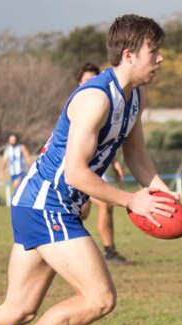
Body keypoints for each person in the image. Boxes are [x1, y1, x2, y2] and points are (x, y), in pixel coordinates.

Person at [0, 14, 178, 325]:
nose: (160, 59)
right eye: (153, 51)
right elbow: (76, 173)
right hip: (47, 206)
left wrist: (161, 193)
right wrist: (131, 200)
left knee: (17, 309)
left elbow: (136, 155)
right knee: (99, 298)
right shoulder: (95, 99)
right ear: (128, 55)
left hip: (43, 206)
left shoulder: (134, 98)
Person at [76, 62, 128, 264]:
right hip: (77, 171)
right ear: (79, 83)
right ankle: (72, 250)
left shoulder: (104, 105)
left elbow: (104, 140)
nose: (91, 84)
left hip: (97, 169)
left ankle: (110, 251)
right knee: (81, 212)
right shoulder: (76, 106)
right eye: (86, 80)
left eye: (94, 80)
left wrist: (114, 162)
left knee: (105, 206)